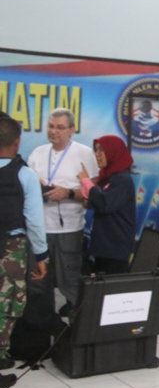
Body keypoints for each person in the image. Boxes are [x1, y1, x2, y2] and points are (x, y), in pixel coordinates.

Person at [27, 108, 99, 316]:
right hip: (40, 228)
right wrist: (37, 187)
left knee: (69, 280)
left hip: (69, 227)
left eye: (60, 127)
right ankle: (42, 328)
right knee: (38, 282)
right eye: (51, 126)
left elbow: (91, 195)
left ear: (71, 130)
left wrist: (67, 193)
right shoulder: (37, 153)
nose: (54, 131)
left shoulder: (84, 154)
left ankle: (77, 327)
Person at [0, 112, 48, 388]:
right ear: (17, 142)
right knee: (6, 304)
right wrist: (41, 257)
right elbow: (33, 220)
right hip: (11, 249)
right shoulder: (24, 174)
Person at [78, 135, 136, 274]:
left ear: (113, 152)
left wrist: (86, 181)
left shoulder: (122, 180)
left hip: (114, 249)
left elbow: (104, 204)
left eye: (101, 151)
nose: (97, 155)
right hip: (105, 248)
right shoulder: (109, 177)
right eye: (96, 151)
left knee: (113, 292)